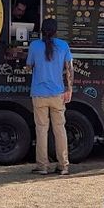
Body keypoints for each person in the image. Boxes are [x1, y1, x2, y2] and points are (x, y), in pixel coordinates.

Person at [26, 18, 73, 175]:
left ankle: (42, 166)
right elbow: (69, 69)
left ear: (41, 30)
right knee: (60, 129)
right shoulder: (63, 45)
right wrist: (69, 89)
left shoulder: (34, 46)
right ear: (56, 31)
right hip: (58, 94)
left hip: (39, 94)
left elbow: (28, 66)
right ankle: (63, 165)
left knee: (41, 130)